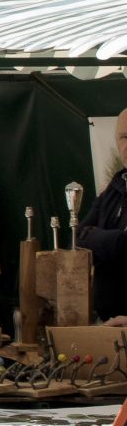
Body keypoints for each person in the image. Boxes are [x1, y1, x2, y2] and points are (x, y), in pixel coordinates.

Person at [81, 105, 127, 322]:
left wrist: (98, 238)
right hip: (106, 319)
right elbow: (79, 238)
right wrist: (115, 241)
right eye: (124, 137)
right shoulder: (114, 189)